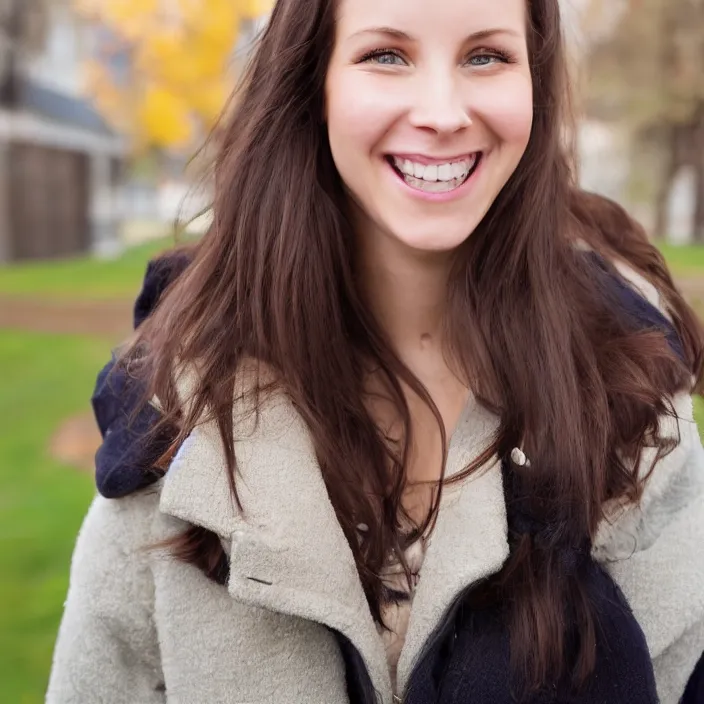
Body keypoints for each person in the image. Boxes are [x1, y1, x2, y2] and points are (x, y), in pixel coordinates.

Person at [46, 0, 704, 702]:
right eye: (386, 55)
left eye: (486, 56)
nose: (444, 111)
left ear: (535, 82)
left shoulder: (629, 400)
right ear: (314, 82)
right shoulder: (177, 422)